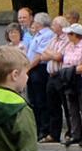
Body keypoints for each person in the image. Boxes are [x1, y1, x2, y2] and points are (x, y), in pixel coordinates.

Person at [23, 12, 57, 142]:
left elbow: (38, 56)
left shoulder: (47, 34)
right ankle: (37, 128)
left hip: (39, 69)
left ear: (39, 23)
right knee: (34, 101)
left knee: (41, 100)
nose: (34, 24)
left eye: (35, 22)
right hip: (32, 69)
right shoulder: (37, 34)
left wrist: (28, 68)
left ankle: (44, 129)